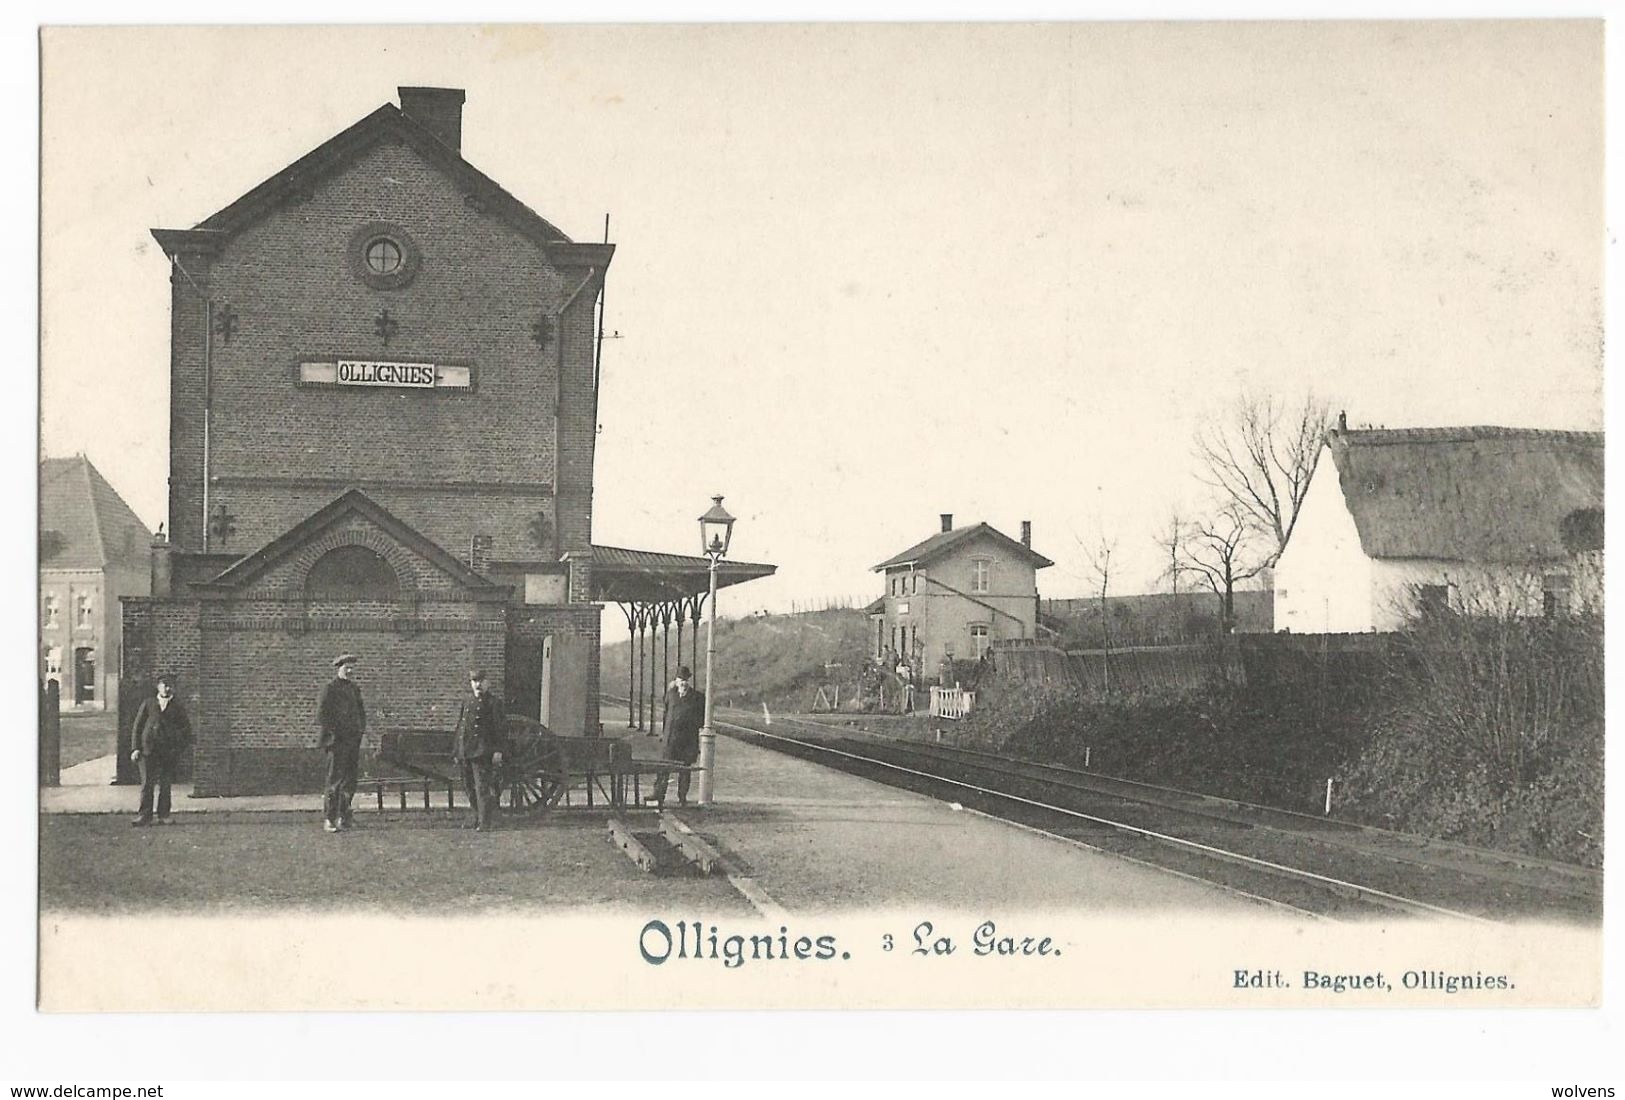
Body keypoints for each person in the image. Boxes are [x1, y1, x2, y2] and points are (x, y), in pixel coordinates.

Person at [130, 674, 192, 826]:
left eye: (170, 685)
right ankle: (144, 815)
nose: (167, 688)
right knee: (147, 783)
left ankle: (164, 815)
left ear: (174, 688)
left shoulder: (178, 707)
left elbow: (186, 730)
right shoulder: (149, 703)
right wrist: (135, 748)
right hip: (147, 750)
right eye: (164, 685)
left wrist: (177, 748)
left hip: (167, 752)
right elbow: (137, 727)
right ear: (158, 687)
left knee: (165, 784)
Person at [317, 653, 366, 833]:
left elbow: (361, 713)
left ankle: (344, 816)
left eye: (352, 667)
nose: (350, 671)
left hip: (352, 742)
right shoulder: (330, 689)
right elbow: (322, 715)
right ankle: (329, 818)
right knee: (334, 781)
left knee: (349, 782)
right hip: (337, 743)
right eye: (347, 668)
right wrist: (334, 735)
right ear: (339, 668)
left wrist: (360, 730)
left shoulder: (354, 689)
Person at [454, 669, 506, 832]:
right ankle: (477, 815)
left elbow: (500, 729)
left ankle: (485, 822)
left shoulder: (493, 703)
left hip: (482, 751)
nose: (477, 684)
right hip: (466, 751)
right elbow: (461, 728)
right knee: (468, 787)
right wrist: (457, 750)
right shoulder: (467, 702)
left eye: (480, 681)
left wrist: (498, 750)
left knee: (481, 787)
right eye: (474, 681)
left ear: (487, 683)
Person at [648, 665, 705, 806]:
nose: (683, 682)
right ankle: (659, 795)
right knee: (664, 768)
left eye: (685, 679)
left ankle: (682, 797)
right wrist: (665, 733)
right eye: (680, 679)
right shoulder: (670, 694)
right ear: (676, 680)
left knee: (685, 770)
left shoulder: (697, 698)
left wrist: (689, 726)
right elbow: (666, 714)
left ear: (689, 681)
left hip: (687, 740)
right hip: (670, 739)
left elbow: (701, 719)